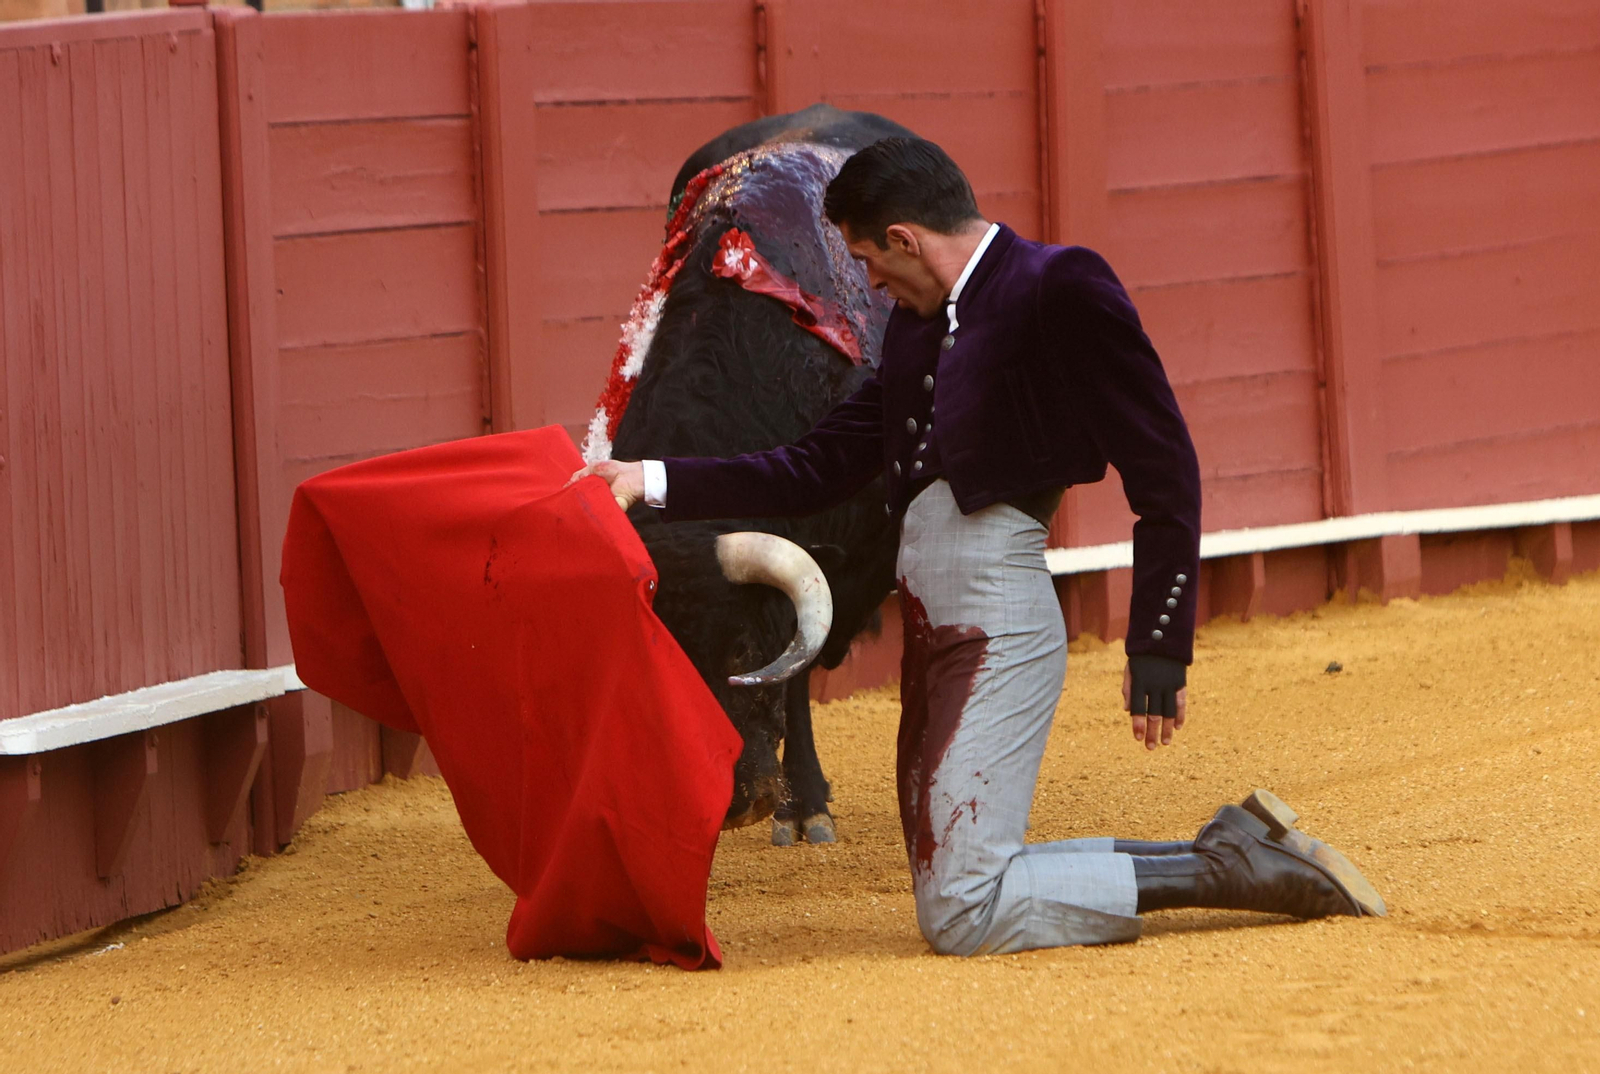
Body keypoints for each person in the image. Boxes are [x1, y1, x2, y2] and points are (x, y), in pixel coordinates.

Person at [575, 137, 1379, 954]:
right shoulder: (918, 335)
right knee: (957, 887)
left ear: (905, 239)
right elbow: (812, 466)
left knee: (961, 911)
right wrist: (652, 479)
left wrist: (1158, 642)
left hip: (1001, 625)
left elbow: (1163, 469)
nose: (868, 286)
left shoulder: (1059, 287)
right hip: (935, 633)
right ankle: (1232, 853)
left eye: (866, 261)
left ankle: (1228, 869)